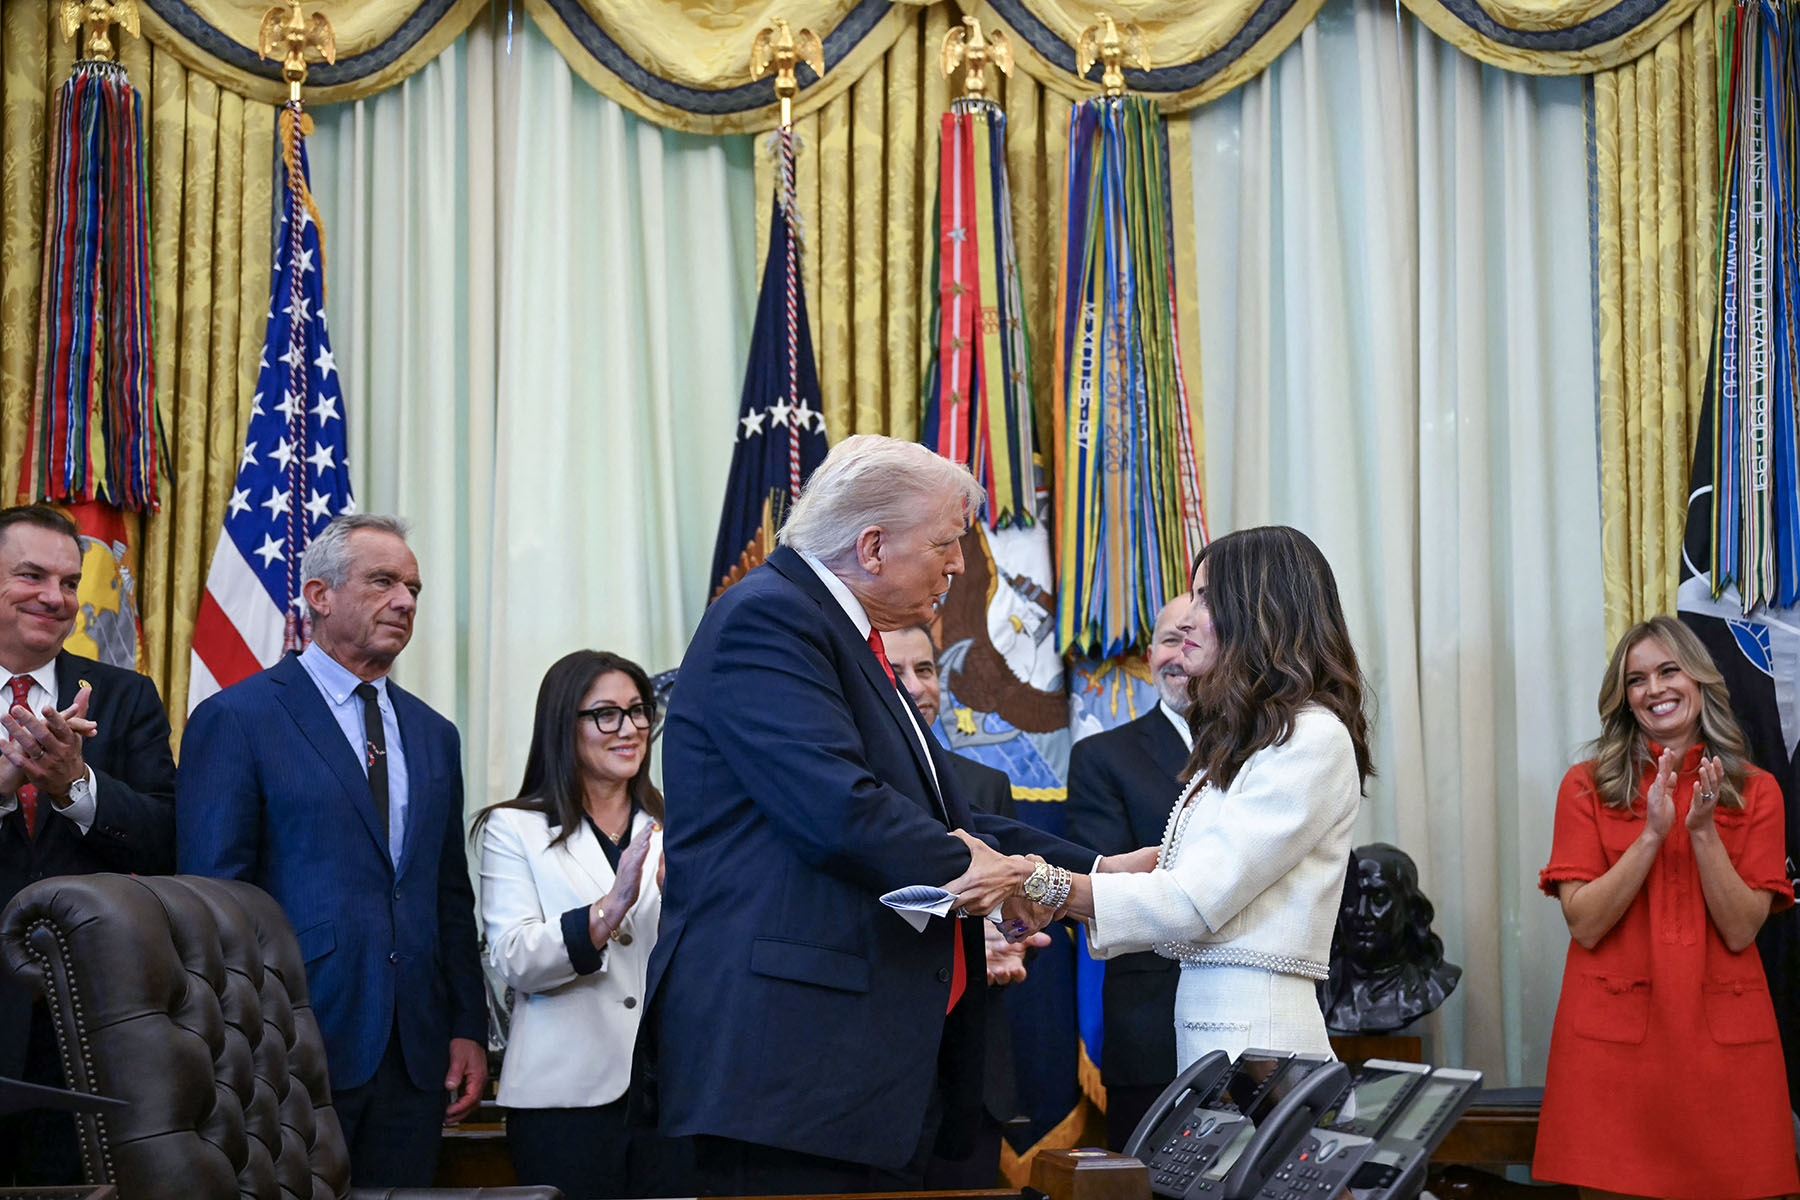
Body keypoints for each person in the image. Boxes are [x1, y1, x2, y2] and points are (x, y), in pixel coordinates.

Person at [639, 434, 1111, 1196]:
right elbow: (840, 810)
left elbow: (939, 809)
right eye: (947, 543)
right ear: (872, 545)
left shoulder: (838, 633)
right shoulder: (769, 620)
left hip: (845, 1070)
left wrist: (1091, 872)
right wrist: (1001, 876)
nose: (960, 566)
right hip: (787, 1068)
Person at [178, 513, 487, 1188]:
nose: (405, 602)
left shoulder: (435, 735)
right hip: (292, 1046)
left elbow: (445, 893)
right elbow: (213, 905)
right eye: (383, 582)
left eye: (413, 588)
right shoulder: (238, 718)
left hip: (416, 1054)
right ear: (319, 595)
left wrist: (466, 1026)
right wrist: (241, 1046)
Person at [1057, 525, 1370, 1068]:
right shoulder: (1248, 740)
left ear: (1259, 612)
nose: (1187, 619)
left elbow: (1193, 900)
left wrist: (1049, 886)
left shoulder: (1311, 738)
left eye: (1206, 599)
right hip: (1215, 1037)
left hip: (1262, 1042)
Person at [1534, 615, 1798, 1198]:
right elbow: (1585, 923)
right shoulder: (1585, 786)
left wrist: (1702, 833)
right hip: (1613, 1061)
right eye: (1637, 680)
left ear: (1700, 681)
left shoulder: (1758, 790)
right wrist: (1652, 833)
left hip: (1722, 1057)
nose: (1654, 689)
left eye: (1669, 671)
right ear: (1624, 699)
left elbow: (1740, 930)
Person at [0, 504, 176, 1185]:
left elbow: (167, 842)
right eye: (31, 576)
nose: (56, 597)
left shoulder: (124, 698)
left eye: (70, 582)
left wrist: (77, 787)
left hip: (87, 1028)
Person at [477, 650, 688, 1200]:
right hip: (561, 1101)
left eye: (639, 711)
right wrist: (606, 911)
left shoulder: (682, 825)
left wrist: (688, 909)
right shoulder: (513, 827)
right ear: (562, 724)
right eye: (606, 714)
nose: (630, 729)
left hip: (671, 1097)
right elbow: (513, 958)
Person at [885, 623, 1050, 1189]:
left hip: (973, 1076)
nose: (916, 689)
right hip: (875, 1078)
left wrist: (1012, 940)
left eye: (925, 670)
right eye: (896, 672)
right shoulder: (845, 787)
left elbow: (1018, 911)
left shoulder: (986, 786)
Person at [1064, 595, 1195, 1148]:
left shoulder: (1269, 752)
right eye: (1170, 640)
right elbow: (1108, 894)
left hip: (1258, 1036)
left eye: (1195, 640)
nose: (1180, 655)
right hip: (1152, 1034)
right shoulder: (1103, 757)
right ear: (1148, 656)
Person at [1319, 843, 1461, 1034]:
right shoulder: (1319, 987)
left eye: (1378, 898)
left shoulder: (1434, 984)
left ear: (1411, 909)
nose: (1361, 913)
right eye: (1352, 898)